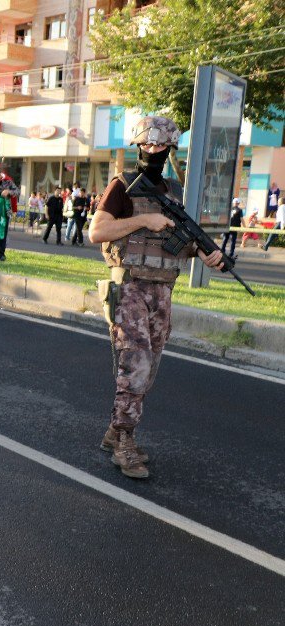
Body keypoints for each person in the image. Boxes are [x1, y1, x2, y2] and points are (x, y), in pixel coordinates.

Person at [88, 116, 225, 480]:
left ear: (170, 148)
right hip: (131, 285)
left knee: (150, 369)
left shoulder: (172, 193)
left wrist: (206, 254)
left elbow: (179, 243)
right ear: (137, 145)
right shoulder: (122, 186)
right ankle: (125, 442)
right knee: (136, 367)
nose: (152, 150)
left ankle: (115, 430)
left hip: (163, 291)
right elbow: (97, 231)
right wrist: (142, 221)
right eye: (146, 145)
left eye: (159, 145)